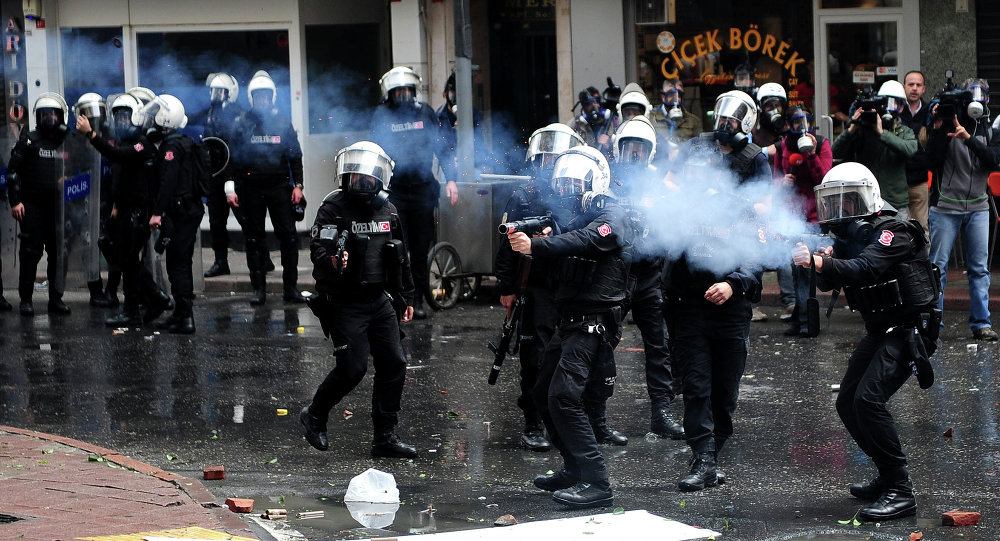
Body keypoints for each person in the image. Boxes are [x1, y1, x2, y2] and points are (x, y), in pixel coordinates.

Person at [792, 161, 940, 522]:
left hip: (910, 328)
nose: (840, 211)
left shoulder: (895, 231)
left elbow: (865, 269)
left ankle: (901, 491)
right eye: (834, 204)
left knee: (869, 400)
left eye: (847, 203)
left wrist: (820, 261)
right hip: (881, 329)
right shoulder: (850, 237)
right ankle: (887, 476)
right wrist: (818, 263)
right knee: (847, 402)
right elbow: (831, 283)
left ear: (866, 199)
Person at [509, 145, 632, 509]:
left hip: (593, 323)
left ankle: (597, 482)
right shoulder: (569, 219)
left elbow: (591, 239)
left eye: (574, 184)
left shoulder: (612, 213)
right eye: (561, 184)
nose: (567, 191)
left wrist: (538, 245)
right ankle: (573, 469)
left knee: (564, 396)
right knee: (543, 392)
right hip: (570, 320)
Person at [661, 89, 768, 492]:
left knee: (725, 392)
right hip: (689, 296)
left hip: (731, 299)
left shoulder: (754, 167)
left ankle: (711, 453)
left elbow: (762, 237)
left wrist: (734, 283)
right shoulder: (694, 151)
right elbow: (667, 187)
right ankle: (702, 458)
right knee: (697, 385)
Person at [299, 141, 419, 459]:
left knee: (394, 364)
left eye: (367, 180)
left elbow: (401, 256)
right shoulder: (333, 207)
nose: (361, 185)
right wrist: (335, 263)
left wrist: (407, 296)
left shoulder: (389, 210)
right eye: (355, 179)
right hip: (344, 301)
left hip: (379, 299)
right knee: (352, 369)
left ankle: (385, 438)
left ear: (380, 181)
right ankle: (314, 414)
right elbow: (319, 250)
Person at [494, 123, 586, 452]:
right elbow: (506, 244)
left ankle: (578, 421)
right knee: (535, 356)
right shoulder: (524, 195)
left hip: (571, 285)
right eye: (544, 158)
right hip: (535, 286)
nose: (549, 165)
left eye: (555, 158)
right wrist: (507, 286)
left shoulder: (578, 193)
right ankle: (534, 421)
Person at [610, 116, 684, 440]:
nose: (635, 155)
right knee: (602, 341)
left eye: (641, 149)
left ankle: (661, 413)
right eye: (630, 149)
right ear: (619, 149)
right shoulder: (608, 180)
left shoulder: (659, 185)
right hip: (616, 275)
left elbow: (672, 226)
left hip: (649, 275)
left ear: (650, 152)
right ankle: (595, 416)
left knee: (659, 345)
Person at [369, 66, 458, 320]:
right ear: (391, 93)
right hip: (394, 193)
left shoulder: (425, 113)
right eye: (400, 91)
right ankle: (400, 300)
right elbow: (375, 152)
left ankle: (417, 300)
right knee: (397, 249)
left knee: (420, 250)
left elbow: (442, 146)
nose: (405, 95)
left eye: (409, 90)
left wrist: (451, 179)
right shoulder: (381, 116)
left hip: (422, 191)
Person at [76, 93, 171, 326]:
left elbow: (117, 156)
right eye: (117, 118)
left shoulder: (142, 143)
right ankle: (148, 301)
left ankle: (143, 303)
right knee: (123, 258)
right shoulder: (123, 142)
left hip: (139, 211)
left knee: (129, 260)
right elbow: (121, 176)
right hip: (125, 210)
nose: (121, 123)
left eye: (126, 118)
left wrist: (91, 133)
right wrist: (117, 205)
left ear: (136, 118)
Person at [925, 77, 1000, 341]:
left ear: (987, 99)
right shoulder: (947, 121)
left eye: (981, 95)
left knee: (979, 268)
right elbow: (931, 160)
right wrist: (937, 127)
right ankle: (933, 324)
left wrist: (968, 138)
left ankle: (981, 323)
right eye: (970, 95)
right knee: (938, 268)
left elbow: (993, 161)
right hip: (945, 207)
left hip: (978, 206)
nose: (976, 99)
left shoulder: (990, 128)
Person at [226, 70, 307, 305]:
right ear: (252, 98)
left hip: (280, 187)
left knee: (289, 239)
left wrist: (298, 186)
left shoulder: (282, 122)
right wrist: (230, 189)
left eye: (266, 96)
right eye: (258, 96)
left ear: (272, 97)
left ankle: (290, 289)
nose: (262, 100)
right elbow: (233, 159)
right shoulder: (241, 123)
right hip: (251, 189)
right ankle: (258, 290)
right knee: (253, 239)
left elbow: (295, 156)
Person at [7, 93, 74, 316]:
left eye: (54, 114)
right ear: (38, 116)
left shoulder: (66, 143)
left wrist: (70, 181)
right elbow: (13, 172)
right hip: (32, 207)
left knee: (58, 254)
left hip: (58, 208)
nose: (50, 118)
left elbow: (80, 170)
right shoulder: (29, 140)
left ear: (61, 116)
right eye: (45, 114)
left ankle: (56, 299)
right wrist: (15, 201)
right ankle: (26, 300)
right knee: (30, 253)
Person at [145, 94, 204, 334]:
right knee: (182, 262)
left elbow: (168, 182)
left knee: (177, 264)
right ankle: (181, 313)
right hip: (190, 209)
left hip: (180, 212)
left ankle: (185, 317)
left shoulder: (171, 146)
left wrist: (157, 212)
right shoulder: (186, 142)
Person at [773, 105, 832, 336]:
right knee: (795, 268)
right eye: (797, 122)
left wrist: (812, 155)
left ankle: (808, 323)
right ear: (789, 125)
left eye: (806, 120)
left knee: (806, 269)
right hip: (791, 216)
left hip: (814, 216)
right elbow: (775, 181)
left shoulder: (821, 142)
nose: (802, 126)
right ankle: (800, 319)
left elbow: (824, 178)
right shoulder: (782, 147)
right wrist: (782, 183)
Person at [832, 80, 917, 220]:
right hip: (865, 201)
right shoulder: (862, 130)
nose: (889, 108)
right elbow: (834, 153)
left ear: (901, 108)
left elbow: (910, 150)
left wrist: (881, 133)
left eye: (894, 104)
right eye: (885, 104)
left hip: (895, 202)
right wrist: (851, 129)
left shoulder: (904, 131)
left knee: (898, 239)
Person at [203, 72, 244, 278]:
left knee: (246, 219)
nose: (216, 95)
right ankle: (221, 262)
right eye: (214, 91)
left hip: (234, 175)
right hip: (215, 175)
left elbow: (236, 148)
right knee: (216, 222)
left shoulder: (237, 114)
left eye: (221, 91)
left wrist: (232, 179)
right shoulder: (210, 113)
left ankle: (262, 259)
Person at [900, 71, 930, 233]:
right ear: (904, 87)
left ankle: (923, 259)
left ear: (924, 89)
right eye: (910, 84)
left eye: (918, 85)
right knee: (898, 229)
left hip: (919, 180)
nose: (914, 88)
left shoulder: (929, 111)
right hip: (897, 181)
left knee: (921, 228)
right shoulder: (895, 110)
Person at [570, 86, 619, 162]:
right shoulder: (576, 124)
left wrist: (610, 145)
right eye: (589, 104)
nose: (594, 106)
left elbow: (622, 150)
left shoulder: (614, 121)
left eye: (596, 102)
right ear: (583, 108)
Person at [650, 78, 703, 149]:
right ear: (663, 97)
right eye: (671, 95)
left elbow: (699, 147)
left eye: (679, 95)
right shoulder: (651, 118)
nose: (676, 99)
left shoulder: (693, 121)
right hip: (660, 158)